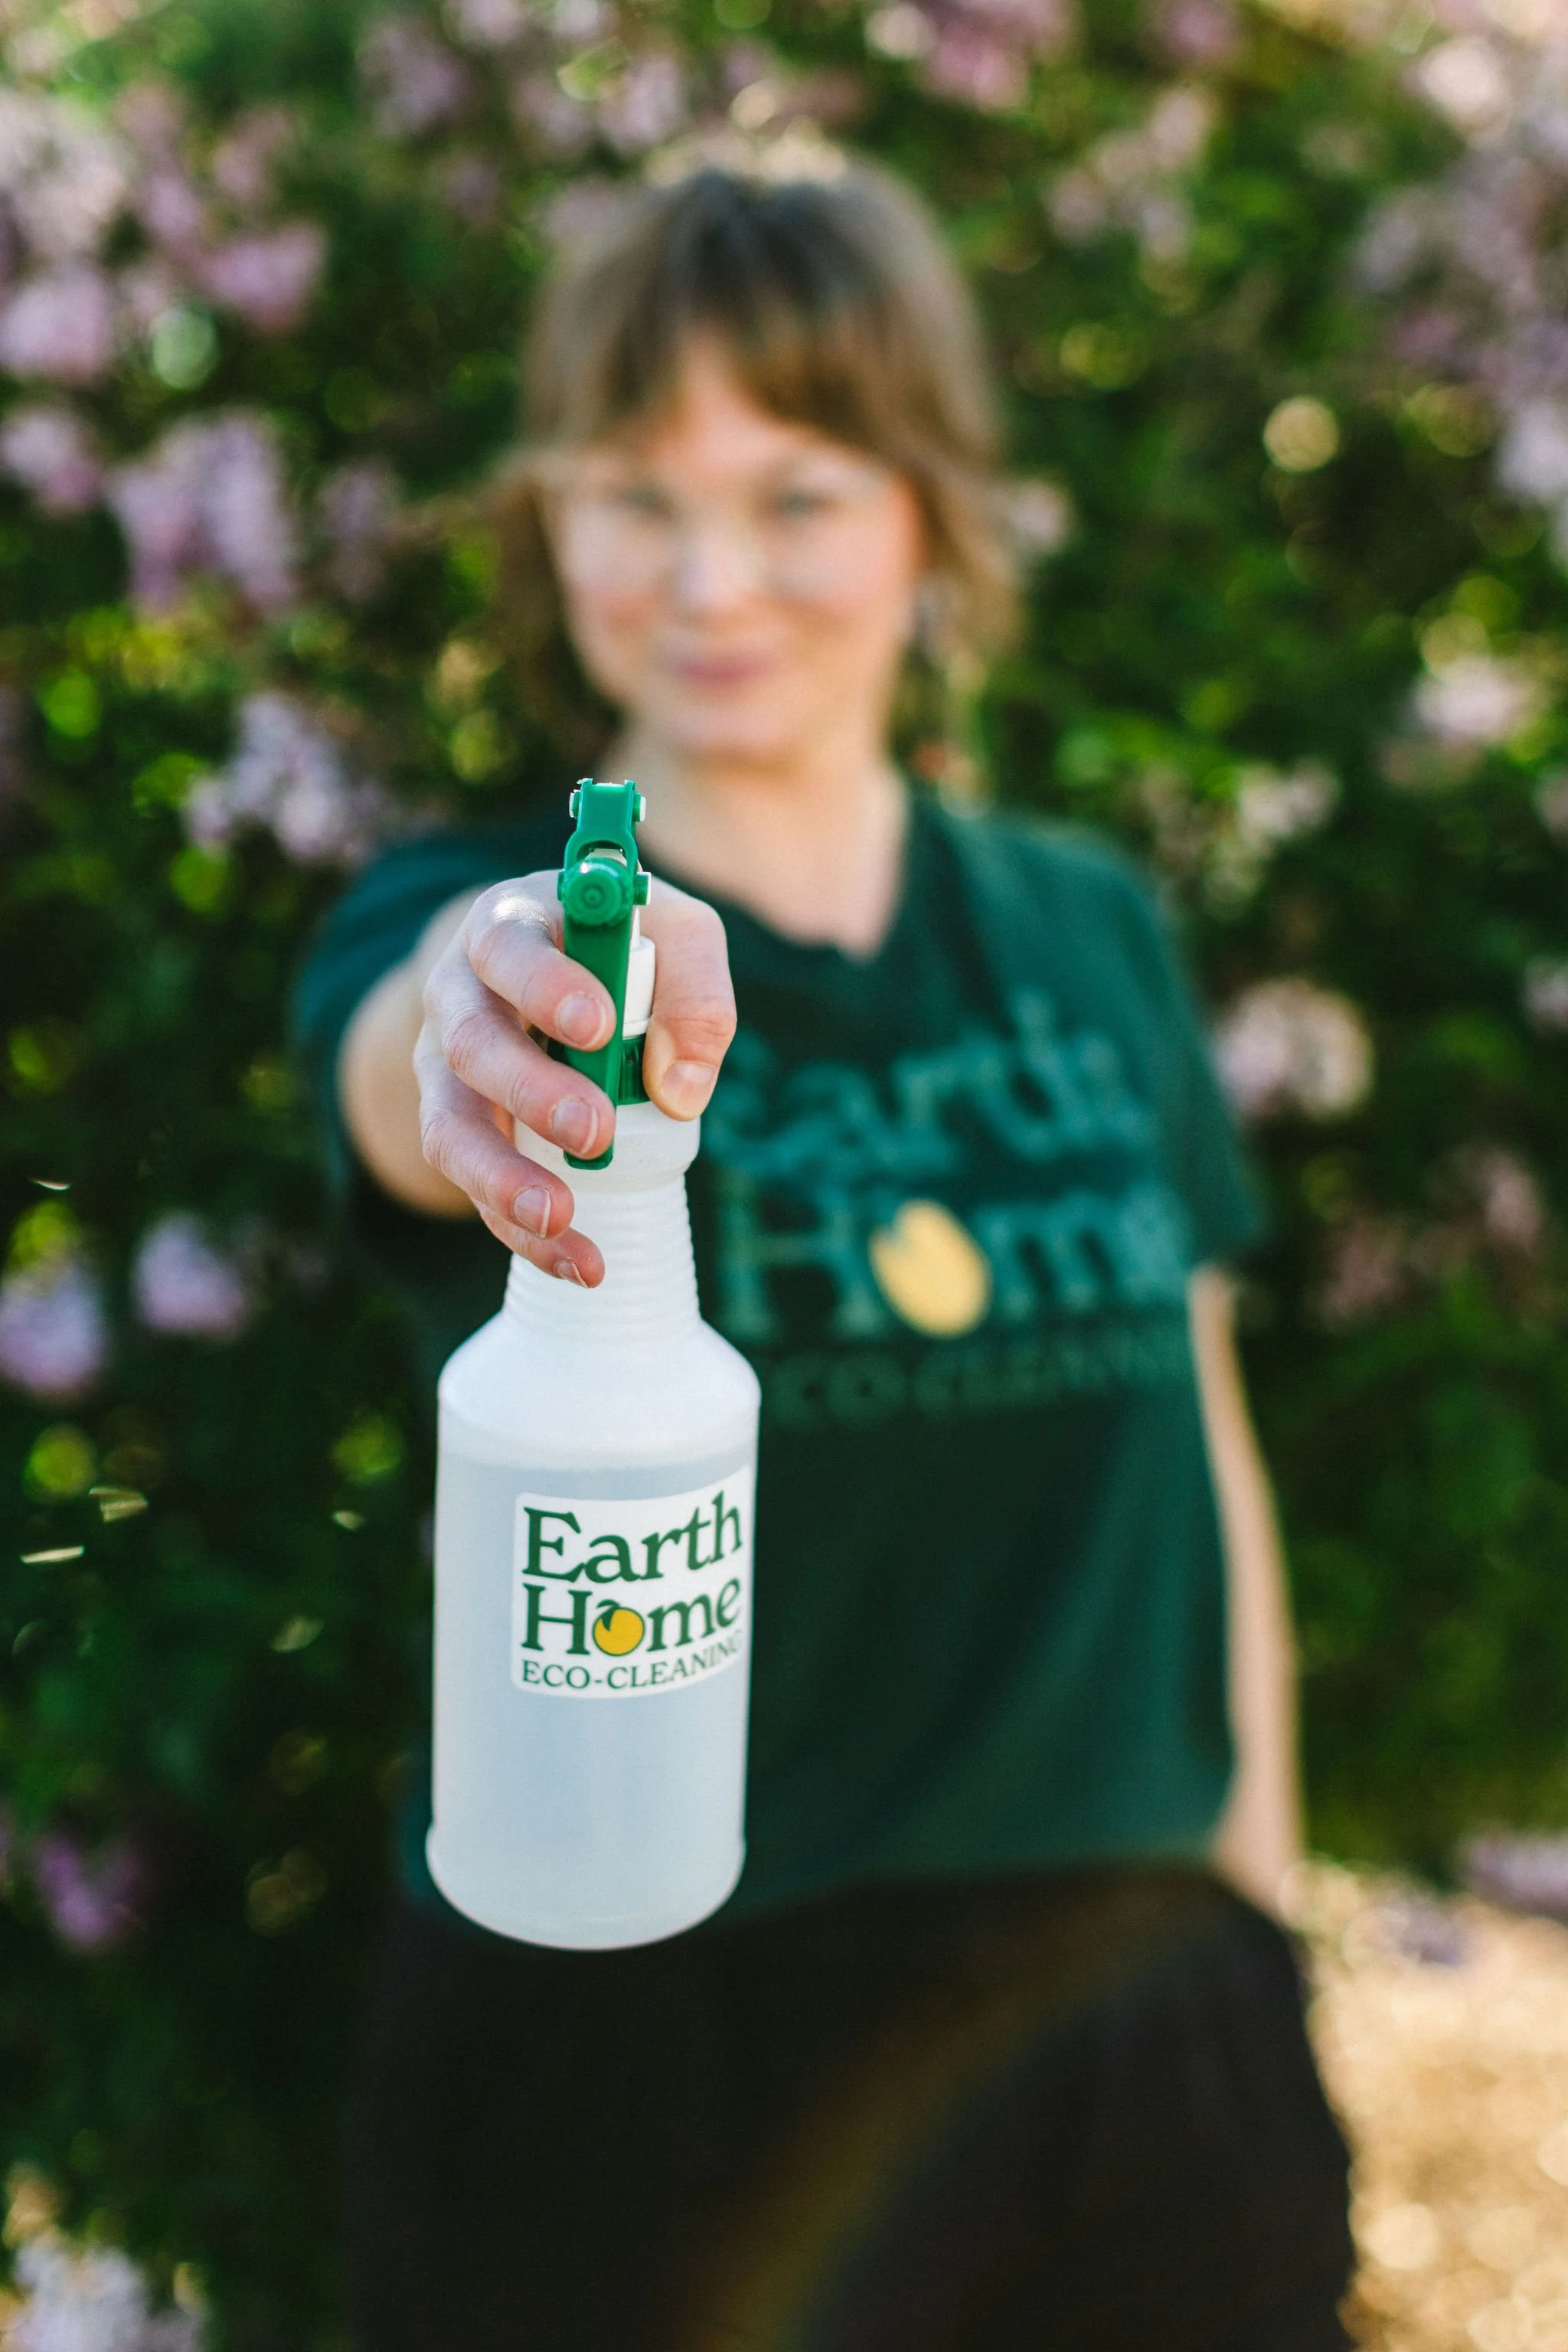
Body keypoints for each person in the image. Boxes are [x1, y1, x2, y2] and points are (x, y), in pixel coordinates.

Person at [296, 160, 1354, 2351]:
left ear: (927, 520)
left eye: (794, 495)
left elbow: (1204, 1458)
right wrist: (494, 1003)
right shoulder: (485, 913)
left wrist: (1256, 1906)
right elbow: (414, 1067)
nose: (710, 581)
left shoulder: (1088, 929)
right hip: (626, 2044)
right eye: (631, 497)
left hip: (1132, 2032)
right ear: (549, 527)